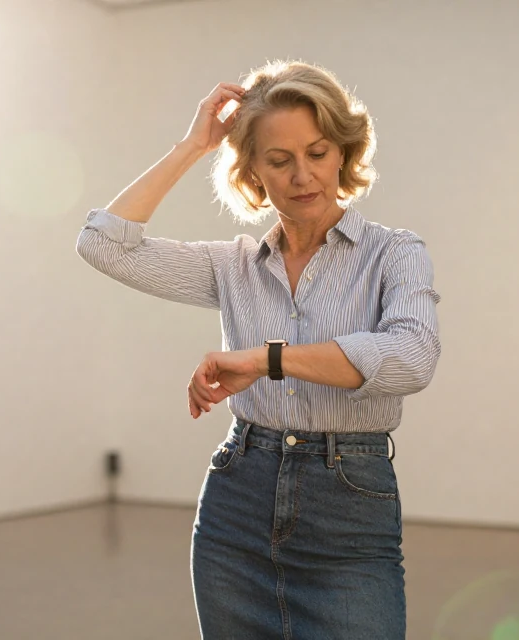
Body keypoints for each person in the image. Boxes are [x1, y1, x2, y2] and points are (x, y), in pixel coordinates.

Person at [75, 61, 441, 638]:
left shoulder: (393, 254)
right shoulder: (232, 267)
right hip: (236, 508)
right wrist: (194, 144)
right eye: (279, 160)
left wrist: (266, 358)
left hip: (350, 508)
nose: (303, 175)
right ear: (253, 173)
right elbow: (103, 245)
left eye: (318, 152)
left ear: (343, 152)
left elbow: (410, 357)